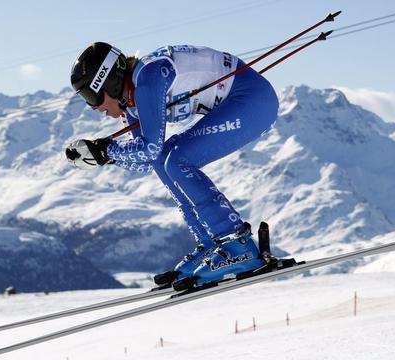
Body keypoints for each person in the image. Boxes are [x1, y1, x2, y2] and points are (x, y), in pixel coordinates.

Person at [66, 42, 279, 289]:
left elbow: (149, 147)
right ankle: (211, 244)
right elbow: (149, 159)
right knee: (166, 160)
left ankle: (238, 246)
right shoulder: (133, 98)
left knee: (178, 161)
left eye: (91, 96)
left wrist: (106, 150)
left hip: (252, 101)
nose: (93, 107)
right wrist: (104, 155)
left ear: (111, 80)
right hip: (240, 101)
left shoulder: (148, 77)